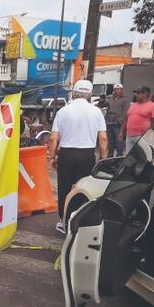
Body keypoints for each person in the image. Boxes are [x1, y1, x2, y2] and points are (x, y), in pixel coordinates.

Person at [49, 80, 108, 234]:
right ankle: (80, 220)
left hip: (66, 154)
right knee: (83, 187)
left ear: (74, 93)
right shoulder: (96, 112)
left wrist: (52, 157)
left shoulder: (63, 111)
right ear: (89, 95)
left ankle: (64, 222)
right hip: (87, 154)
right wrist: (102, 158)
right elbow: (103, 138)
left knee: (64, 188)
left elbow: (53, 138)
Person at [120, 86, 154, 152]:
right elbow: (126, 119)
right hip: (129, 136)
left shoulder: (152, 106)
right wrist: (121, 132)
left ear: (146, 94)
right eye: (136, 93)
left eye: (138, 93)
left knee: (141, 158)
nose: (136, 95)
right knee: (130, 157)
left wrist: (149, 135)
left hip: (142, 137)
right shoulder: (133, 105)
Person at [103, 84, 130, 157]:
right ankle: (110, 154)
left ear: (122, 90)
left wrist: (120, 120)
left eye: (119, 89)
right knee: (110, 140)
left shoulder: (125, 99)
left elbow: (126, 111)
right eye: (115, 89)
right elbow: (105, 107)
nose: (117, 91)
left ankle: (119, 155)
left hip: (118, 123)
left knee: (119, 140)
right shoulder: (110, 99)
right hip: (109, 122)